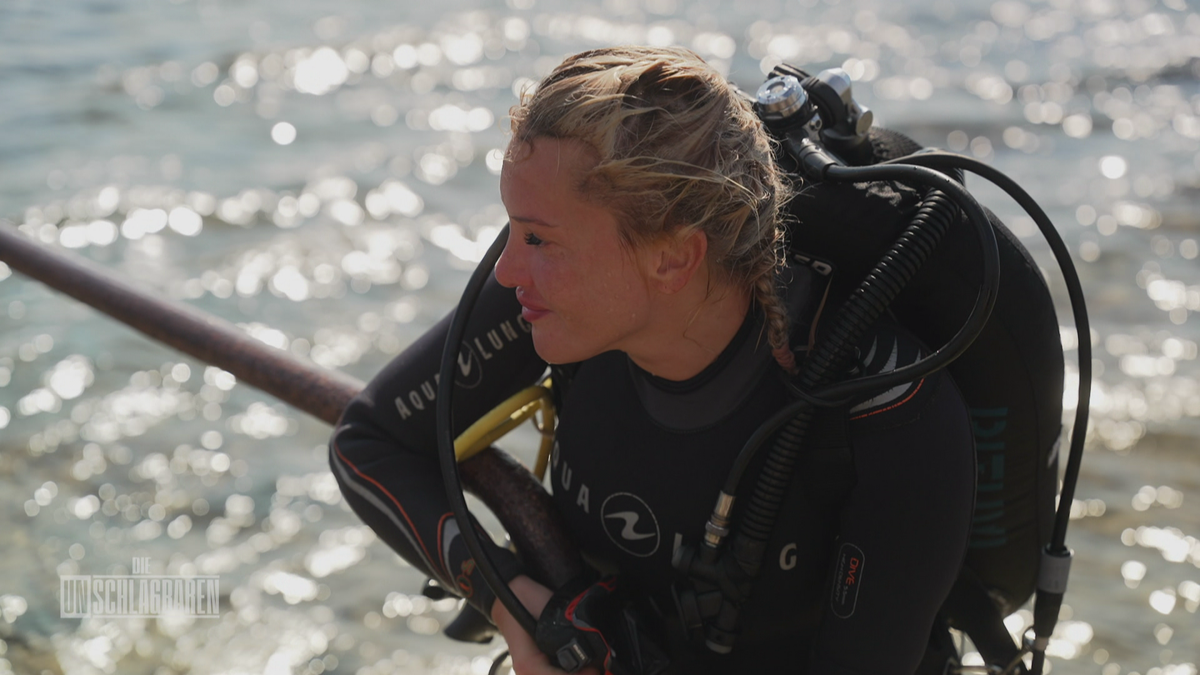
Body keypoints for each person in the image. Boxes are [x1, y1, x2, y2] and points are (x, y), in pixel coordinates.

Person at [330, 46, 976, 674]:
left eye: (536, 238)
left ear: (671, 256)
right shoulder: (558, 296)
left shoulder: (886, 409)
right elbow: (369, 441)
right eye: (513, 229)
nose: (506, 270)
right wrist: (522, 609)